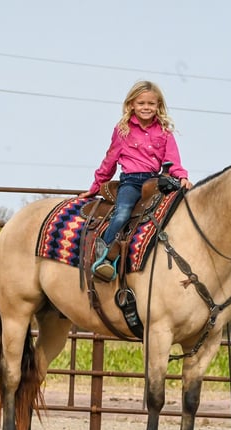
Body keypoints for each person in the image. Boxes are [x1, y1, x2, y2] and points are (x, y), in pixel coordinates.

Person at [80, 80, 192, 281]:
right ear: (131, 104)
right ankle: (103, 254)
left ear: (158, 106)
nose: (146, 108)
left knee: (174, 213)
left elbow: (172, 160)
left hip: (155, 182)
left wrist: (182, 176)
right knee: (123, 213)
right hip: (131, 181)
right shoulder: (123, 130)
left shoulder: (164, 131)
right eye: (141, 103)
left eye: (151, 104)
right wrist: (96, 186)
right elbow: (110, 160)